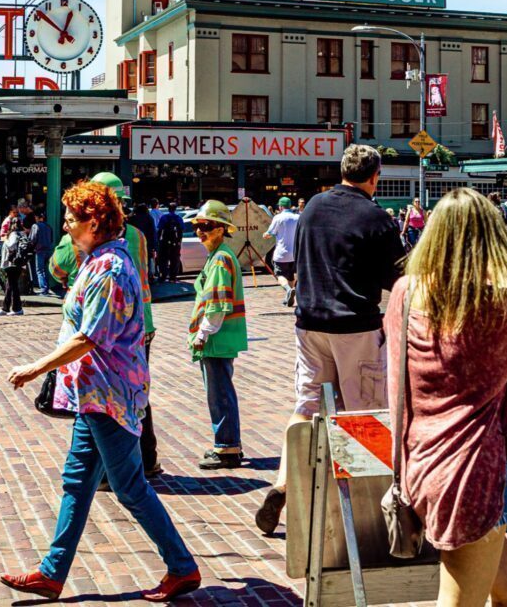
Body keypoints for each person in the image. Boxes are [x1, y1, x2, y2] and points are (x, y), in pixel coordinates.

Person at [1, 180, 200, 603]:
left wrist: (36, 367)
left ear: (94, 222)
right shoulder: (97, 260)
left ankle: (182, 567)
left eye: (72, 219)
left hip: (109, 395)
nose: (66, 226)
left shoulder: (109, 268)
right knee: (77, 481)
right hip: (94, 396)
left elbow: (89, 336)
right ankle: (52, 574)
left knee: (129, 487)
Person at [387, 189, 507, 607]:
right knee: (460, 600)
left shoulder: (405, 293)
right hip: (472, 469)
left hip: (420, 459)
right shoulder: (498, 304)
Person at [255, 143, 405, 536]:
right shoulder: (377, 218)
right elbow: (398, 278)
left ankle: (282, 484)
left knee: (305, 407)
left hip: (309, 322)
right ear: (375, 176)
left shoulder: (311, 209)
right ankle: (361, 508)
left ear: (342, 171)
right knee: (363, 414)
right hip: (355, 325)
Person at [90, 172, 162, 479]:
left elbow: (57, 266)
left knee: (105, 397)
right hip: (143, 324)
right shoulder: (137, 235)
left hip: (107, 327)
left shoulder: (91, 235)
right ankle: (147, 459)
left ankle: (112, 470)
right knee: (138, 392)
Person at [187, 200, 248, 470]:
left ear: (222, 229)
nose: (201, 231)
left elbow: (217, 303)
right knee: (221, 390)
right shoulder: (218, 255)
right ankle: (227, 445)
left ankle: (227, 448)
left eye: (207, 226)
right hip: (220, 337)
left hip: (217, 337)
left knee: (220, 393)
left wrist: (203, 333)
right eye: (198, 226)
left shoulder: (221, 258)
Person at [264, 197, 299, 306]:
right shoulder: (298, 217)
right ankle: (289, 297)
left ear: (280, 206)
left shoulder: (278, 218)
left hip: (281, 253)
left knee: (279, 275)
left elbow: (270, 232)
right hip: (294, 253)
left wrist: (265, 235)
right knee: (291, 276)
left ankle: (288, 290)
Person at [0, 214, 31, 316]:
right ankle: (5, 308)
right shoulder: (23, 234)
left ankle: (17, 308)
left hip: (12, 262)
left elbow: (11, 246)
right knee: (10, 285)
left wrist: (5, 240)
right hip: (20, 263)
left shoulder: (13, 234)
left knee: (13, 286)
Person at [128, 202, 158, 285]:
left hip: (133, 244)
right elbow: (153, 233)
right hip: (146, 244)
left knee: (133, 262)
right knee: (145, 262)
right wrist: (155, 247)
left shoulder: (131, 218)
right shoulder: (149, 218)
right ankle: (146, 279)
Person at [155, 203, 184, 284]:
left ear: (168, 209)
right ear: (175, 209)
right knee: (174, 259)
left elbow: (159, 230)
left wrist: (158, 241)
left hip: (164, 241)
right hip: (175, 242)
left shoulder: (164, 217)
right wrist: (179, 241)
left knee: (163, 259)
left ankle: (163, 276)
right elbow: (181, 231)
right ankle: (173, 277)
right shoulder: (178, 218)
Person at [29, 211, 55, 296]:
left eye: (36, 217)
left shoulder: (35, 226)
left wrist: (31, 246)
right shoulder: (48, 226)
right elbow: (51, 239)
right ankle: (46, 287)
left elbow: (32, 239)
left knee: (39, 270)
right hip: (48, 250)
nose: (35, 219)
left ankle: (43, 289)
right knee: (46, 269)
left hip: (40, 250)